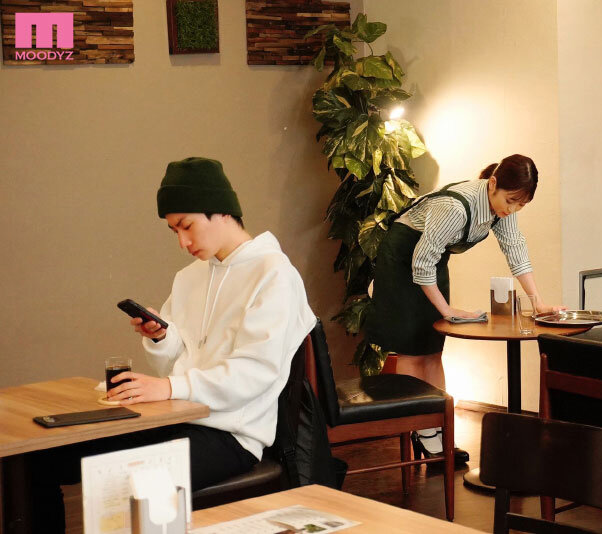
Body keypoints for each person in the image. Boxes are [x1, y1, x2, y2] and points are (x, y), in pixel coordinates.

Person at [29, 157, 317, 531]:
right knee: (41, 460)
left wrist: (167, 388)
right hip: (176, 417)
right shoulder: (189, 278)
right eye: (174, 231)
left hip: (231, 436)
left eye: (187, 226)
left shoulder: (273, 274)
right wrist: (163, 338)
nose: (182, 242)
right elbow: (179, 365)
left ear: (222, 211)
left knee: (120, 482)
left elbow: (255, 373)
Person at [365, 154, 564, 461]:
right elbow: (421, 263)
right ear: (493, 184)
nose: (512, 210)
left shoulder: (502, 207)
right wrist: (447, 310)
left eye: (521, 205)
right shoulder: (455, 207)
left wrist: (537, 301)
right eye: (511, 201)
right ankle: (421, 432)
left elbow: (515, 248)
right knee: (412, 350)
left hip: (431, 261)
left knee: (433, 349)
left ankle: (439, 431)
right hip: (401, 260)